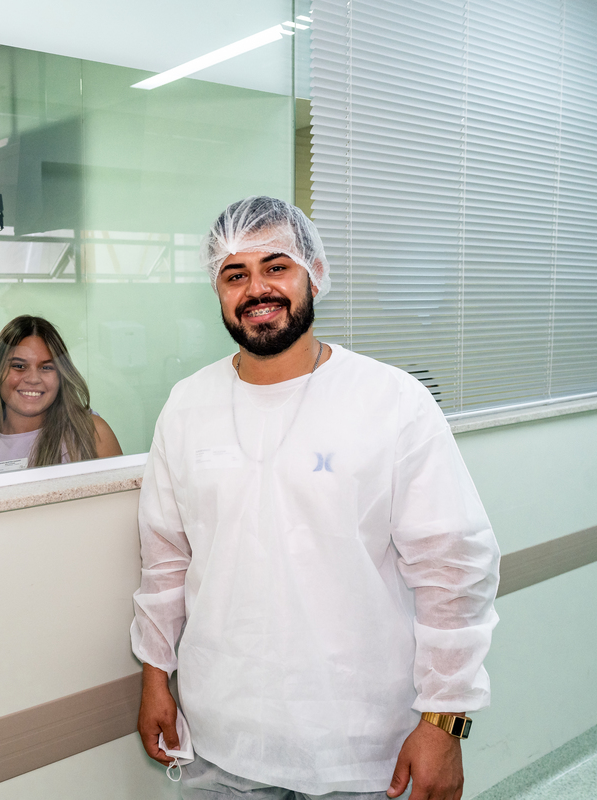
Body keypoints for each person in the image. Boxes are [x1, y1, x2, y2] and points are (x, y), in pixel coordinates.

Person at [131, 197, 500, 800]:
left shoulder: (390, 401)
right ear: (217, 289)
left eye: (276, 267)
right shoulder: (187, 406)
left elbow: (453, 570)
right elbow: (165, 559)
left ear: (315, 273)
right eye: (235, 274)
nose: (257, 289)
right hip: (223, 737)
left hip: (360, 748)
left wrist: (444, 721)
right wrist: (155, 677)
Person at [0, 315, 122, 478]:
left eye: (46, 367)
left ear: (61, 376)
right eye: (19, 366)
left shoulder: (91, 433)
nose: (33, 379)